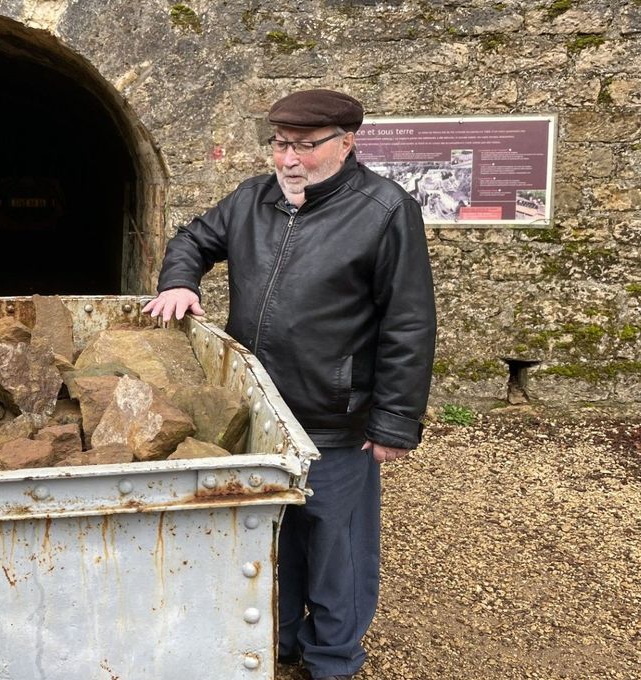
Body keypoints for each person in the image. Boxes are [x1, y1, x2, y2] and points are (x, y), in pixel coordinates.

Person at [142, 89, 436, 680]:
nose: (288, 160)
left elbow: (409, 321)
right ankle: (281, 640)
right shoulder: (254, 199)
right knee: (274, 534)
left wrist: (394, 421)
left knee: (336, 545)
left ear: (347, 143)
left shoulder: (383, 210)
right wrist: (180, 281)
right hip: (258, 409)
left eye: (305, 146)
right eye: (280, 144)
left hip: (335, 416)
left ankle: (333, 660)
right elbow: (193, 240)